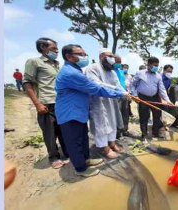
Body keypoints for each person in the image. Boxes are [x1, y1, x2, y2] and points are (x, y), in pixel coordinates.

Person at [55, 44, 127, 177]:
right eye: (81, 54)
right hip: (70, 112)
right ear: (69, 56)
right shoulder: (71, 72)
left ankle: (86, 160)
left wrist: (121, 91)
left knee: (82, 138)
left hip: (79, 111)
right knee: (75, 142)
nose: (85, 56)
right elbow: (95, 88)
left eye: (85, 54)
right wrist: (120, 94)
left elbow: (112, 85)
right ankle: (81, 169)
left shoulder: (76, 69)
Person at [23, 37, 68, 169]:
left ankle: (66, 152)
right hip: (46, 103)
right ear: (43, 48)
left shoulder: (57, 64)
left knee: (63, 130)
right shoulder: (34, 62)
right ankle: (53, 157)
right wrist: (37, 104)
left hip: (60, 102)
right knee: (50, 132)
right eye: (53, 48)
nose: (56, 51)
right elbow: (27, 83)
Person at [84, 49, 126, 159]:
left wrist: (125, 92)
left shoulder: (111, 71)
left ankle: (112, 143)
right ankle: (105, 148)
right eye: (110, 56)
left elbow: (117, 84)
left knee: (112, 121)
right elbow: (96, 84)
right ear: (102, 56)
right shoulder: (92, 68)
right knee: (101, 124)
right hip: (98, 101)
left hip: (111, 101)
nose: (112, 58)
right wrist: (117, 91)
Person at [130, 57, 173, 139]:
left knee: (157, 116)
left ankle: (155, 133)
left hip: (155, 98)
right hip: (143, 98)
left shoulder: (158, 76)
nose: (156, 67)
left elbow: (162, 89)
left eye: (157, 65)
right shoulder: (140, 73)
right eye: (154, 65)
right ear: (148, 65)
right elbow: (133, 84)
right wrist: (135, 95)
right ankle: (144, 135)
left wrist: (167, 100)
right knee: (144, 117)